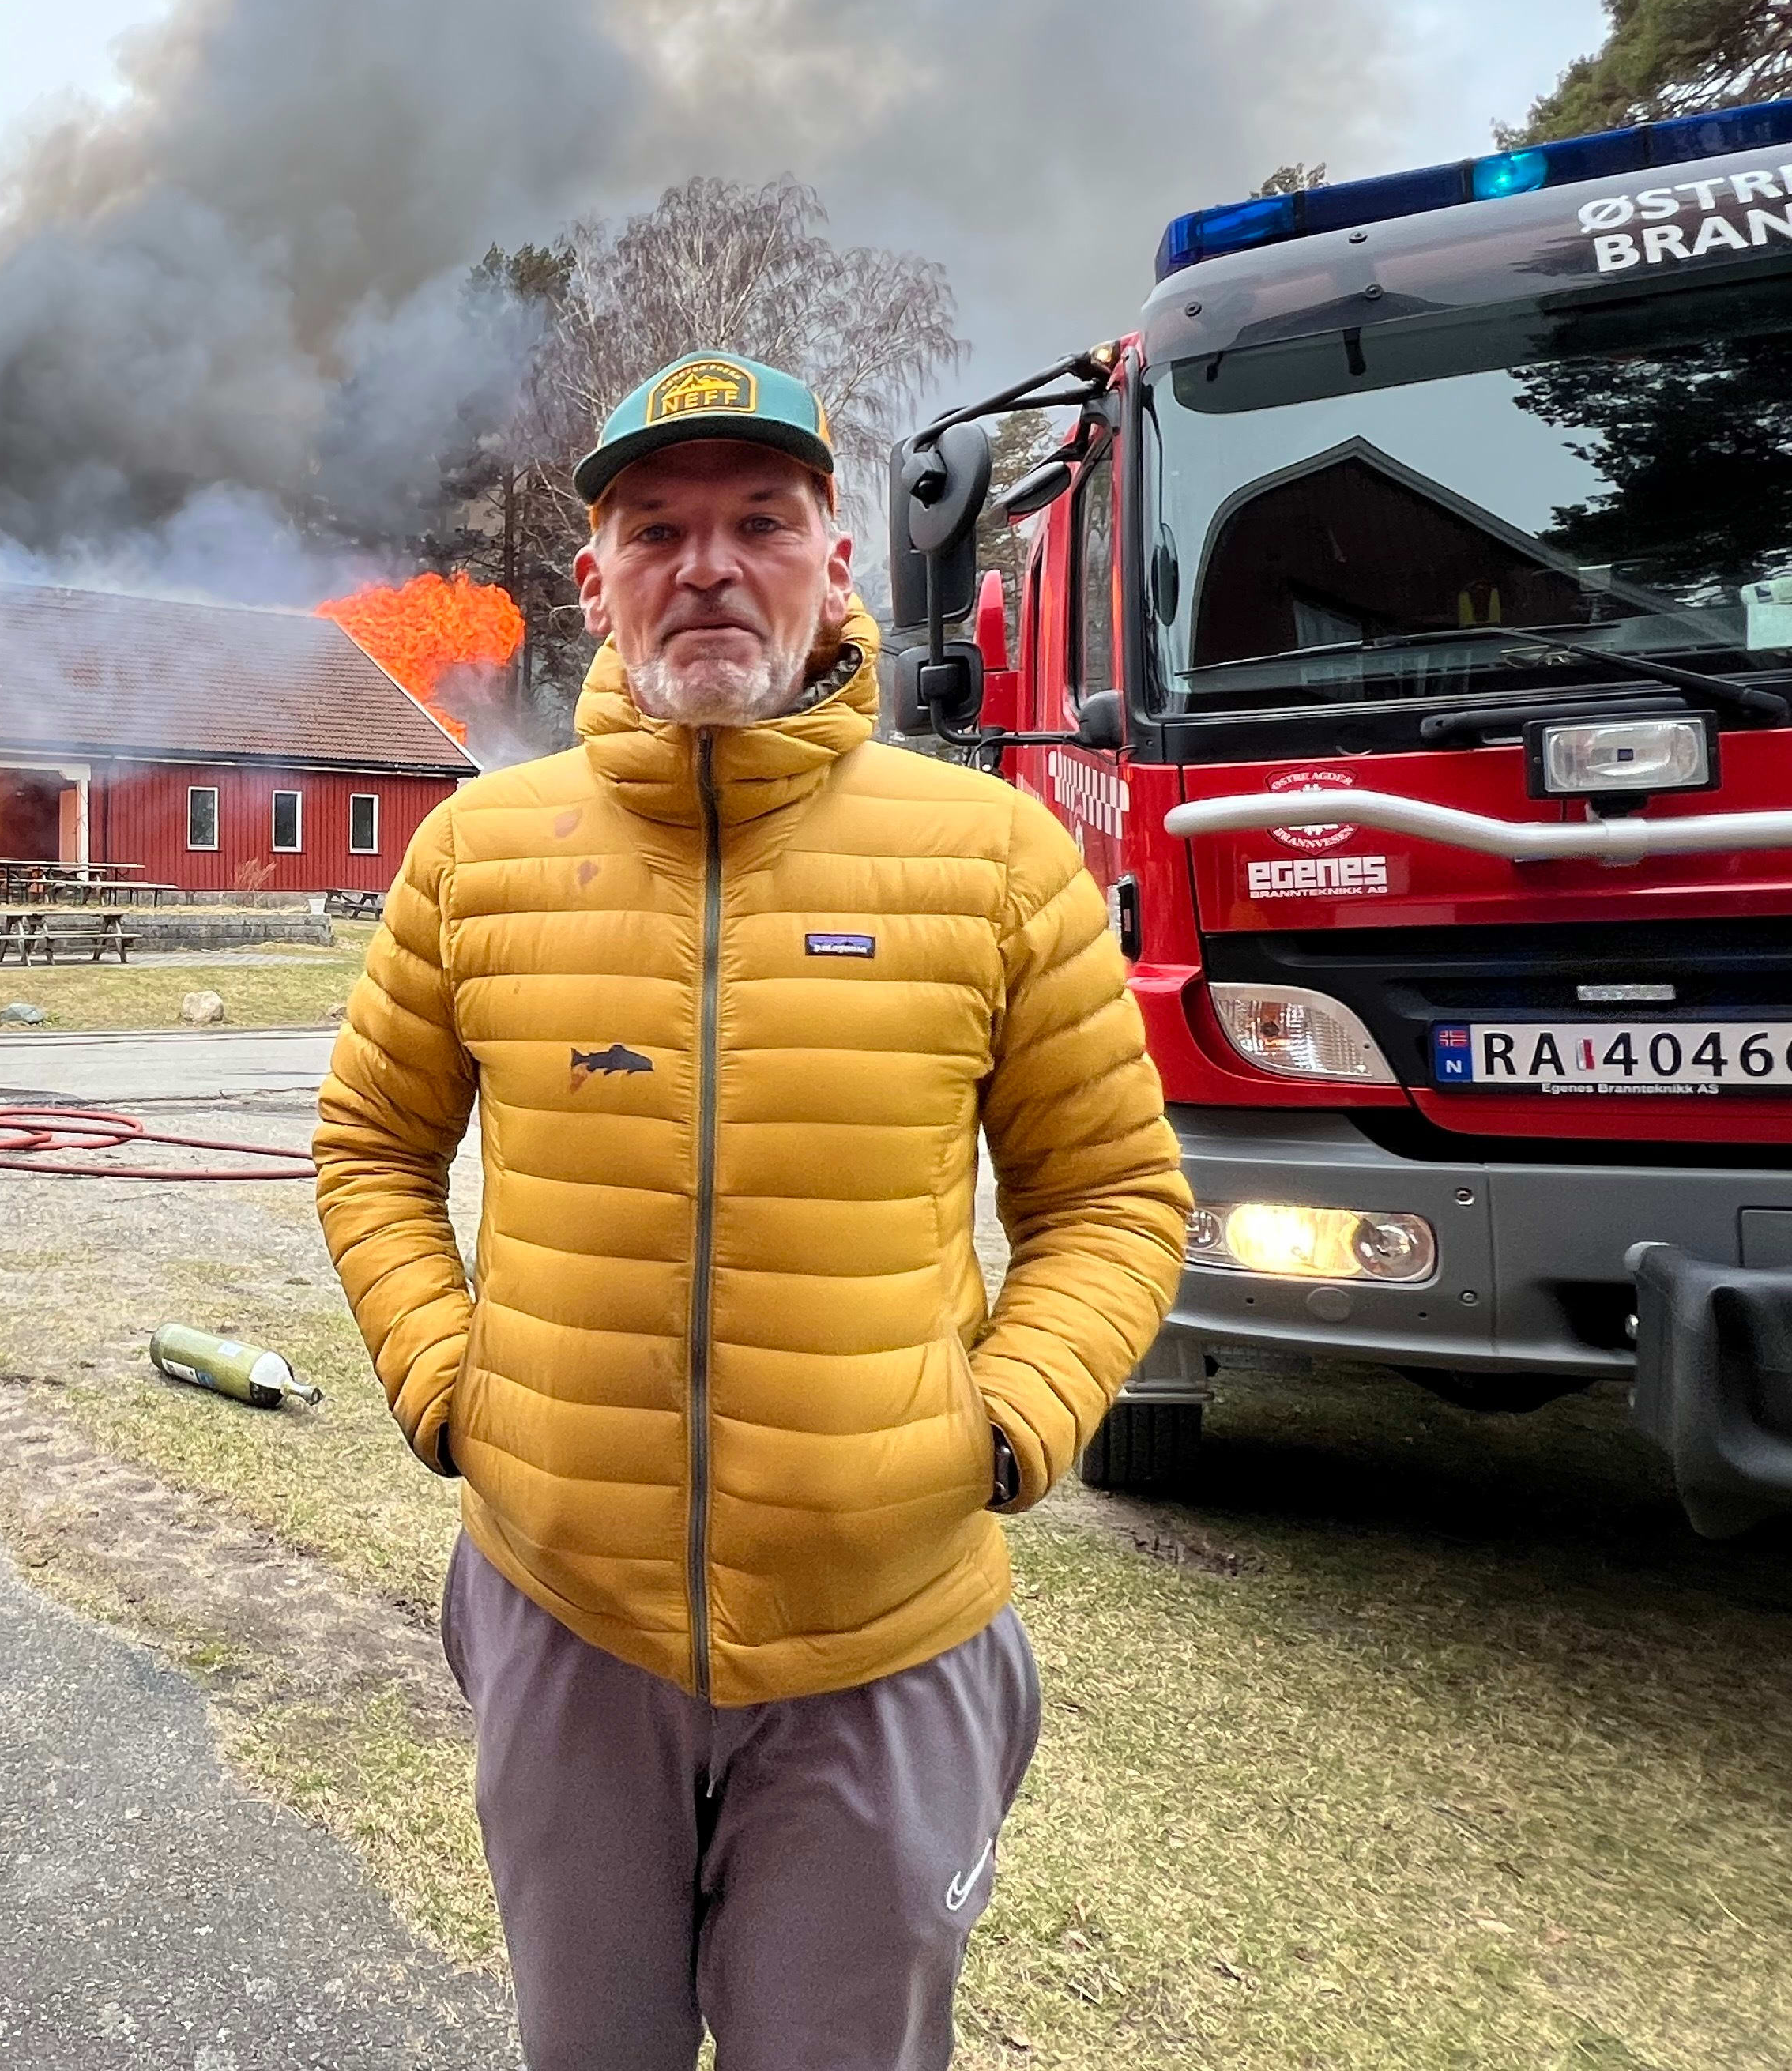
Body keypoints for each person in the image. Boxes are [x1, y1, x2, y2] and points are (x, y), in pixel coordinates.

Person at [314, 349, 1190, 2070]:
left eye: (759, 521)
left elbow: (1111, 1192)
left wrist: (1011, 1421)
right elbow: (370, 1146)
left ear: (836, 561)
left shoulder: (995, 857)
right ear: (595, 582)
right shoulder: (478, 856)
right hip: (567, 1623)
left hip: (888, 1637)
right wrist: (446, 1382)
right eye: (658, 528)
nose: (708, 564)